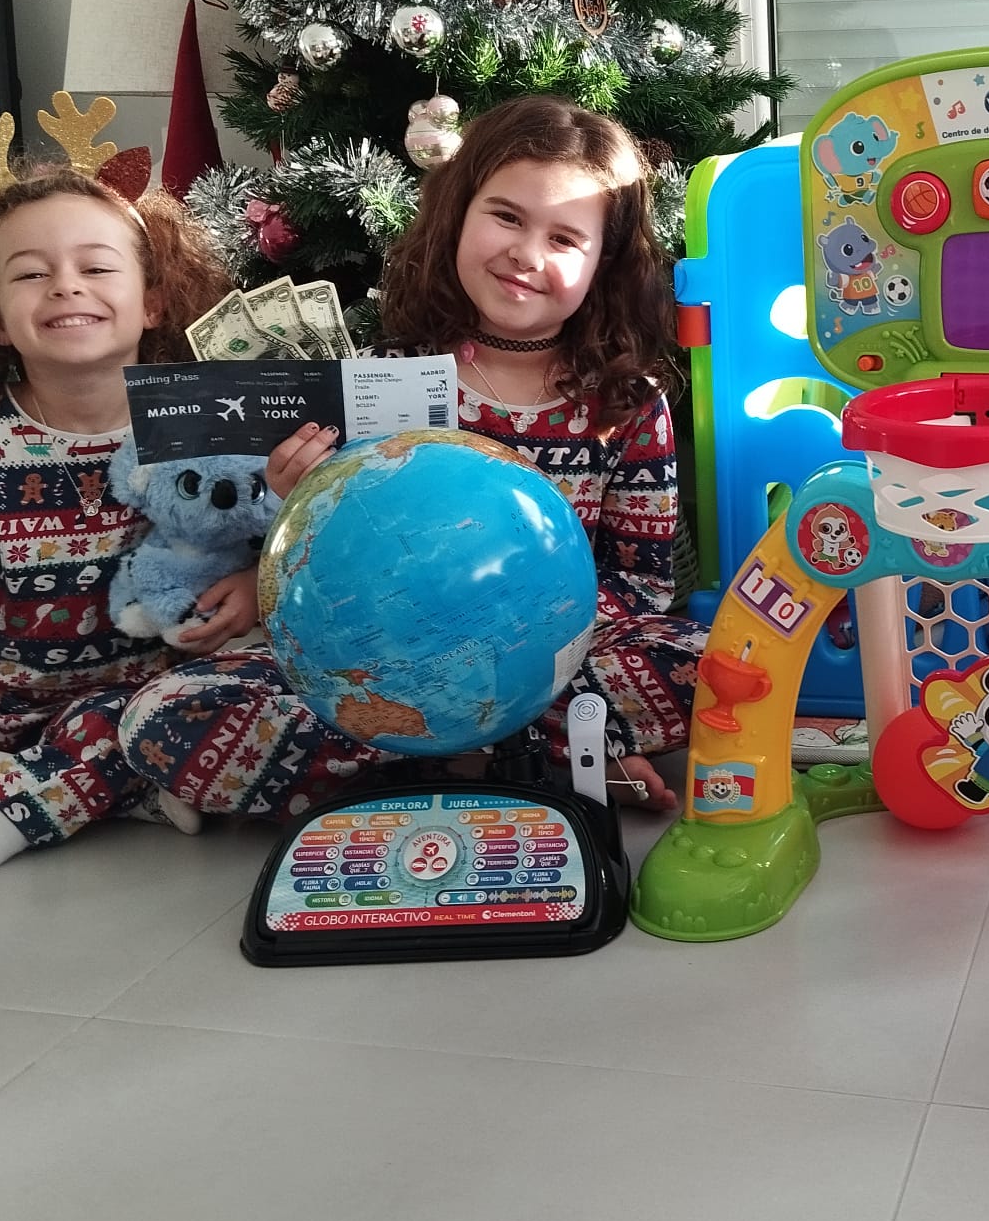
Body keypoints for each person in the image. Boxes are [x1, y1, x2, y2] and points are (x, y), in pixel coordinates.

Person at [120, 95, 703, 817]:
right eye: (507, 217)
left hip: (551, 663)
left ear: (604, 263)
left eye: (565, 239)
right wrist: (287, 498)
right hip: (385, 670)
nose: (527, 254)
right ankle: (530, 762)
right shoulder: (382, 376)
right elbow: (321, 565)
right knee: (163, 714)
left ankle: (449, 762)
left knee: (716, 665)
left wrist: (519, 649)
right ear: (458, 213)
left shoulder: (629, 404)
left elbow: (640, 587)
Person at [0, 167, 245, 889]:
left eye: (95, 266)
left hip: (135, 696)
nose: (65, 285)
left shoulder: (198, 420)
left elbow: (241, 542)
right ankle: (74, 791)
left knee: (161, 730)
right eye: (31, 274)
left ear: (152, 300)